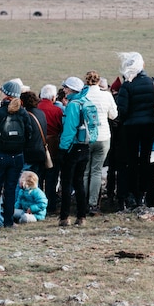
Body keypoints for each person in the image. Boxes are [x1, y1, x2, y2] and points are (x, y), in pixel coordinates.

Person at [0, 79, 35, 229]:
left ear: (5, 94)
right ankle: (8, 222)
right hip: (16, 156)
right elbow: (29, 134)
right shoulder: (23, 114)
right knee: (11, 190)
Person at [115, 52, 154, 210]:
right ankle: (143, 195)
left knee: (131, 161)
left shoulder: (127, 85)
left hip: (131, 127)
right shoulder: (153, 82)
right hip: (149, 125)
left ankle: (133, 194)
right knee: (145, 159)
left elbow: (122, 110)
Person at [57, 76, 95, 227]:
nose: (64, 90)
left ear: (71, 89)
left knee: (67, 183)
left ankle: (65, 217)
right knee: (79, 182)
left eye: (66, 87)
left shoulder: (73, 105)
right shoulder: (87, 102)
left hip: (72, 147)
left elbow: (69, 129)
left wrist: (62, 148)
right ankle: (81, 216)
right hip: (85, 146)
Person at [84, 70, 118, 214]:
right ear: (99, 82)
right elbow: (113, 115)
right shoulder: (106, 96)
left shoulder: (83, 96)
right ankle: (93, 204)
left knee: (85, 171)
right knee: (97, 171)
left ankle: (83, 200)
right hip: (103, 136)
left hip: (85, 137)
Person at [38, 84, 64, 214]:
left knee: (37, 176)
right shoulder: (57, 111)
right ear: (53, 97)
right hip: (52, 147)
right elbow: (61, 128)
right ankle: (51, 205)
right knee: (51, 177)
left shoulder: (34, 109)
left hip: (36, 146)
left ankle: (37, 202)